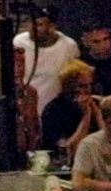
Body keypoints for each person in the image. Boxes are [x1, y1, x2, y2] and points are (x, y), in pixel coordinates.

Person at [12, 5, 80, 149]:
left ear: (52, 26)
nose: (33, 28)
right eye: (31, 23)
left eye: (39, 24)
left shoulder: (69, 46)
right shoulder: (18, 43)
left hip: (56, 116)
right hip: (28, 115)